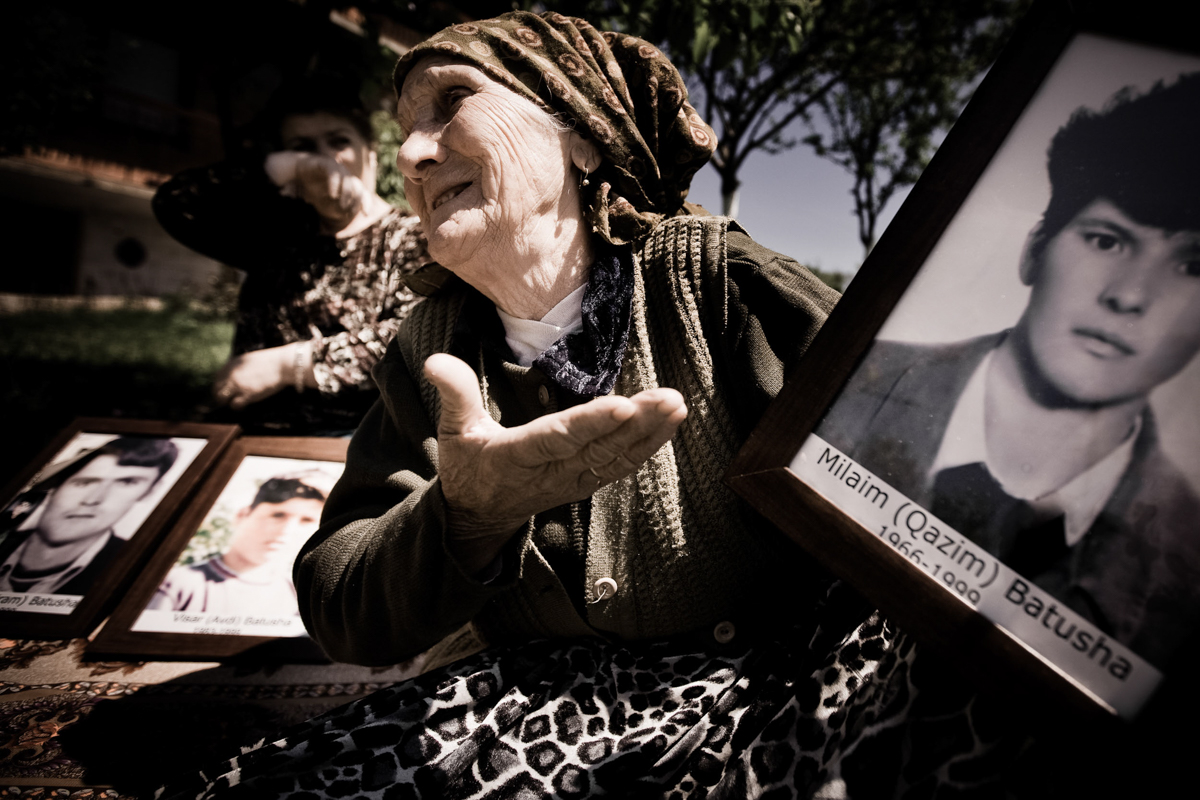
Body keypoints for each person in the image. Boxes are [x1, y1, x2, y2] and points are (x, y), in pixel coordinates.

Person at [154, 13, 1022, 800]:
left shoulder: (720, 284)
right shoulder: (427, 348)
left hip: (775, 684)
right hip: (539, 706)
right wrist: (463, 517)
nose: (414, 156)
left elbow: (955, 493)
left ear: (581, 139)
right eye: (405, 131)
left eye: (450, 103)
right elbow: (342, 605)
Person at [816, 74, 1200, 669]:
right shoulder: (843, 391)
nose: (1130, 296)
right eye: (1106, 240)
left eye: (1191, 265)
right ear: (1033, 250)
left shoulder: (1185, 563)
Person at [153, 76, 430, 434]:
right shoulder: (275, 238)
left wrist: (288, 365)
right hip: (250, 435)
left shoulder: (412, 235)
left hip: (355, 445)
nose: (324, 159)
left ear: (371, 151)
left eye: (338, 141)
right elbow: (176, 201)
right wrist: (281, 169)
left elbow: (412, 341)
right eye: (303, 147)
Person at [0, 437, 179, 596]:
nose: (93, 499)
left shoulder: (140, 571)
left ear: (150, 491)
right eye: (83, 483)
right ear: (55, 486)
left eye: (126, 483)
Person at [147, 475, 327, 616]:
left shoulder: (301, 596)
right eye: (278, 515)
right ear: (242, 515)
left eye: (307, 520)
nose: (287, 530)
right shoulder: (177, 584)